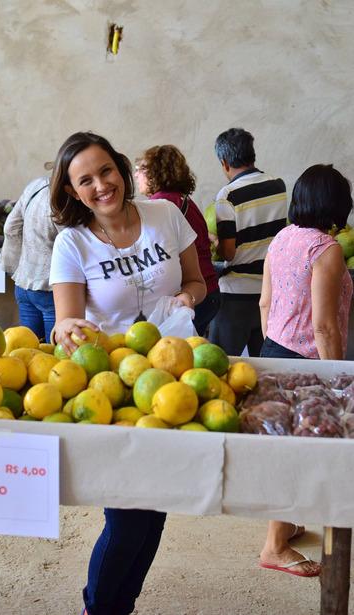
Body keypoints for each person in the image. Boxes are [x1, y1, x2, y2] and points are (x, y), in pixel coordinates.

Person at [48, 131, 206, 615]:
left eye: (106, 171)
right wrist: (67, 329)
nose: (101, 185)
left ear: (120, 169)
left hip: (173, 376)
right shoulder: (72, 244)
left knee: (154, 511)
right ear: (74, 192)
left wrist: (188, 298)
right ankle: (99, 608)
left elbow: (198, 281)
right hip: (113, 388)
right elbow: (62, 324)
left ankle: (118, 606)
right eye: (86, 180)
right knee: (127, 515)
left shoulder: (166, 215)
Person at [258, 163, 353, 577]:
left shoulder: (282, 238)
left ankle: (289, 525)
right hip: (308, 362)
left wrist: (276, 348)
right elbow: (324, 324)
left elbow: (265, 303)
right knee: (299, 455)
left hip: (273, 350)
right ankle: (274, 546)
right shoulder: (325, 249)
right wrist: (336, 377)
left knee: (285, 449)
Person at [209, 127, 287, 356]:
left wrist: (214, 241)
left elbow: (228, 252)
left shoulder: (227, 195)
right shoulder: (278, 186)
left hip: (236, 295)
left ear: (224, 162)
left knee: (221, 362)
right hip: (270, 291)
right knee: (265, 365)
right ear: (252, 154)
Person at [135, 144, 220, 336]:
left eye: (140, 169)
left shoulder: (161, 207)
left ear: (155, 172)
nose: (136, 175)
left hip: (192, 294)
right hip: (209, 290)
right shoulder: (184, 200)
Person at [1, 176, 60, 342]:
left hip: (24, 284)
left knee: (29, 348)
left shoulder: (37, 185)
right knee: (53, 353)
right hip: (51, 288)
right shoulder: (65, 197)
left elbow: (10, 227)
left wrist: (16, 268)